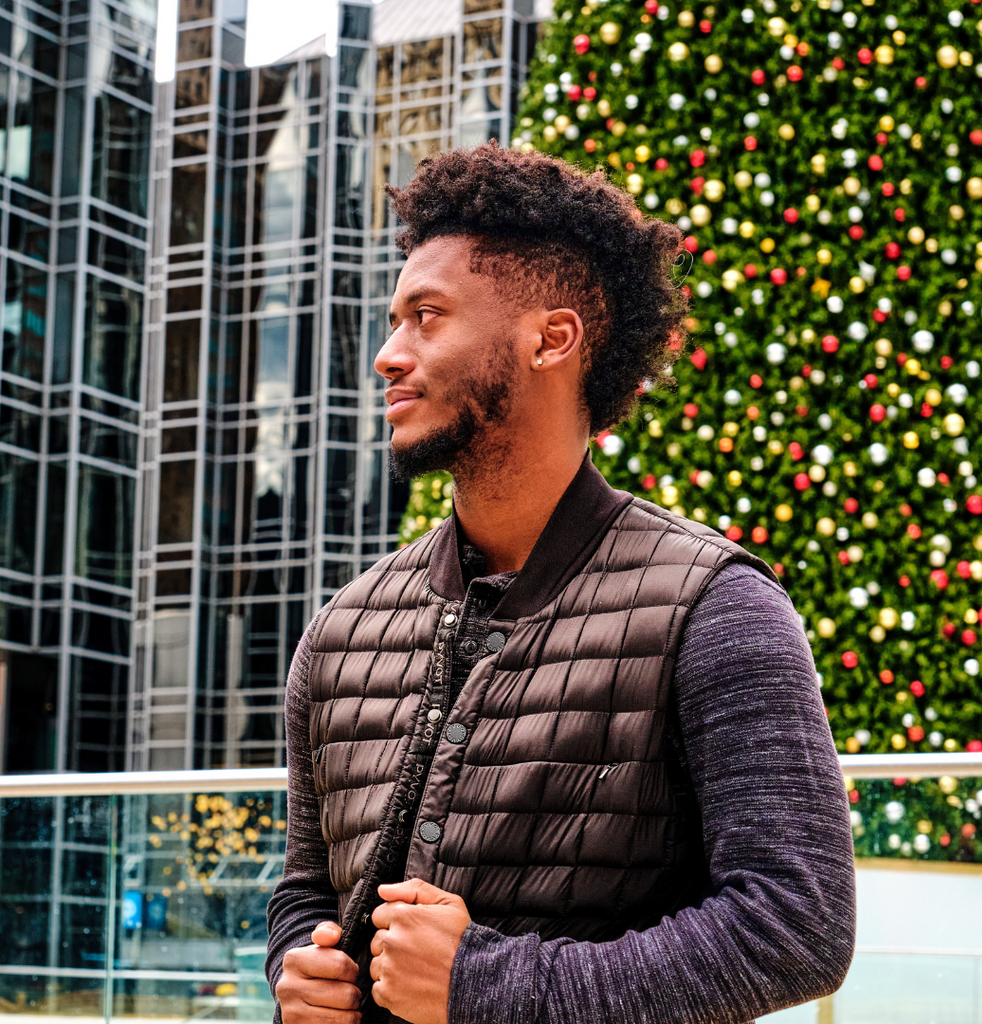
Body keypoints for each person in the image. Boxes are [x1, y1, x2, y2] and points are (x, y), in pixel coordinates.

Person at [266, 143, 856, 1024]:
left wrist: (483, 984)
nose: (389, 355)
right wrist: (297, 965)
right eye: (395, 320)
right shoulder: (342, 627)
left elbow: (796, 922)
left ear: (552, 338)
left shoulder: (717, 608)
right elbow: (307, 887)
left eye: (427, 316)